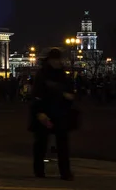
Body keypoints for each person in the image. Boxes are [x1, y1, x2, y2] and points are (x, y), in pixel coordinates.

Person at [29, 48, 74, 181]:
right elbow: (36, 94)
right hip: (45, 113)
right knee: (41, 144)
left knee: (62, 145)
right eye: (55, 60)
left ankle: (65, 173)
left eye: (58, 59)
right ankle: (39, 171)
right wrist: (39, 112)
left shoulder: (61, 75)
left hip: (59, 112)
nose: (57, 62)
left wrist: (69, 96)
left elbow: (69, 90)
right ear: (50, 60)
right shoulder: (42, 75)